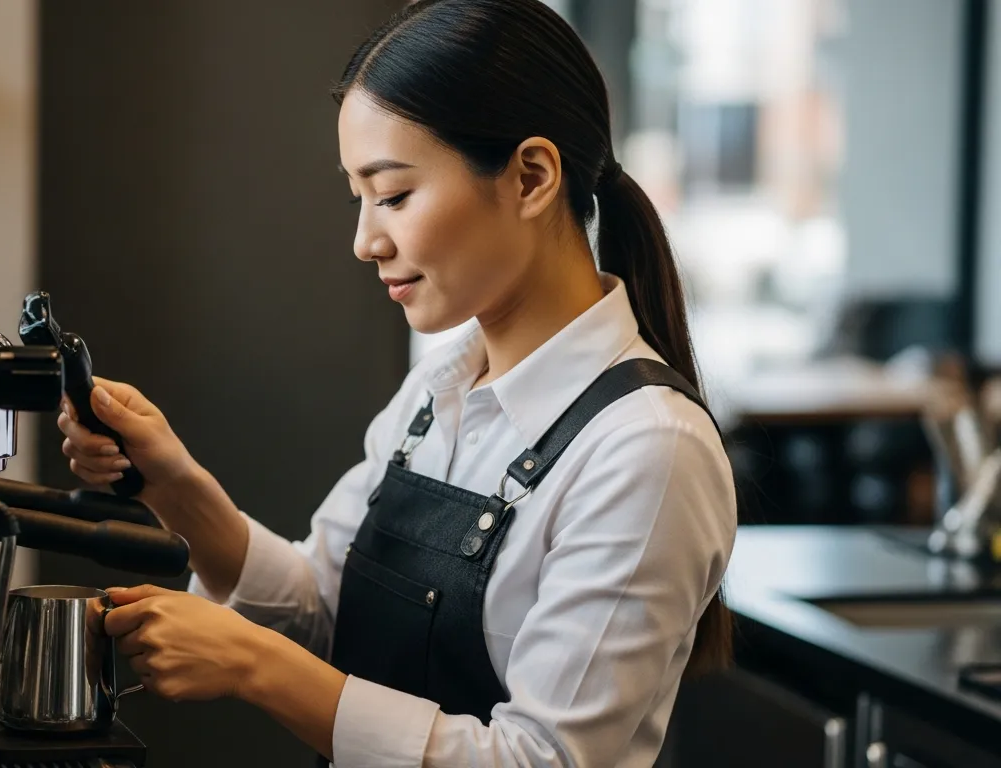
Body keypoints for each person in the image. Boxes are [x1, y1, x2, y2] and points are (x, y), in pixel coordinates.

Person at [56, 0, 737, 765]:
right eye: (360, 198)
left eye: (394, 196)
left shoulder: (647, 449)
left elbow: (538, 758)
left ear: (532, 177)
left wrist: (254, 664)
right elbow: (321, 608)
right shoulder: (435, 395)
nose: (365, 241)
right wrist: (173, 485)